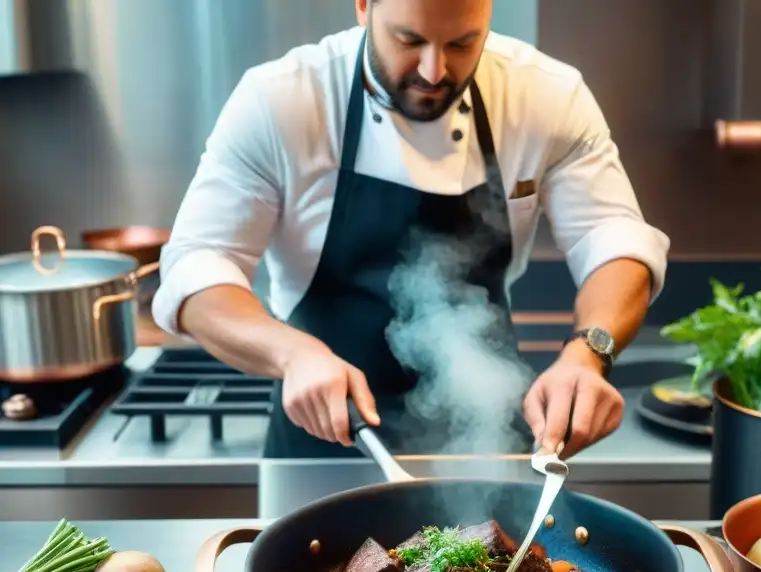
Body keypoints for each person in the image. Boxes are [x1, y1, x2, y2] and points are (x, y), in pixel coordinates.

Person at [152, 0, 669, 460]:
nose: (434, 70)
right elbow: (197, 270)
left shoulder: (546, 97)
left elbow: (612, 236)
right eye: (409, 40)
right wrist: (293, 352)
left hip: (484, 437)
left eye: (463, 43)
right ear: (362, 7)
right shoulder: (281, 100)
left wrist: (588, 352)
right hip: (319, 443)